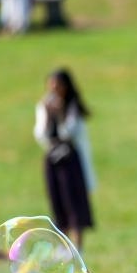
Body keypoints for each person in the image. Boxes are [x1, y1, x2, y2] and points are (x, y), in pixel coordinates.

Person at [32, 68, 96, 252]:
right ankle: (63, 246)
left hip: (70, 159)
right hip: (53, 159)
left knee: (74, 201)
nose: (54, 88)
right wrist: (47, 114)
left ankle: (78, 248)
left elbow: (70, 132)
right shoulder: (44, 105)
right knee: (58, 201)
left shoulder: (71, 106)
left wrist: (60, 114)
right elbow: (41, 135)